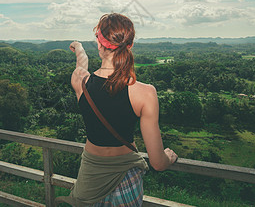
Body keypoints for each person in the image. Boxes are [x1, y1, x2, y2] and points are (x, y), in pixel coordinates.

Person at [58, 13, 178, 207]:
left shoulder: (80, 80)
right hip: (126, 179)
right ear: (129, 45)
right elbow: (157, 162)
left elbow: (82, 65)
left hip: (90, 177)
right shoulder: (145, 93)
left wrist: (79, 47)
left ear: (99, 43)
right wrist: (169, 158)